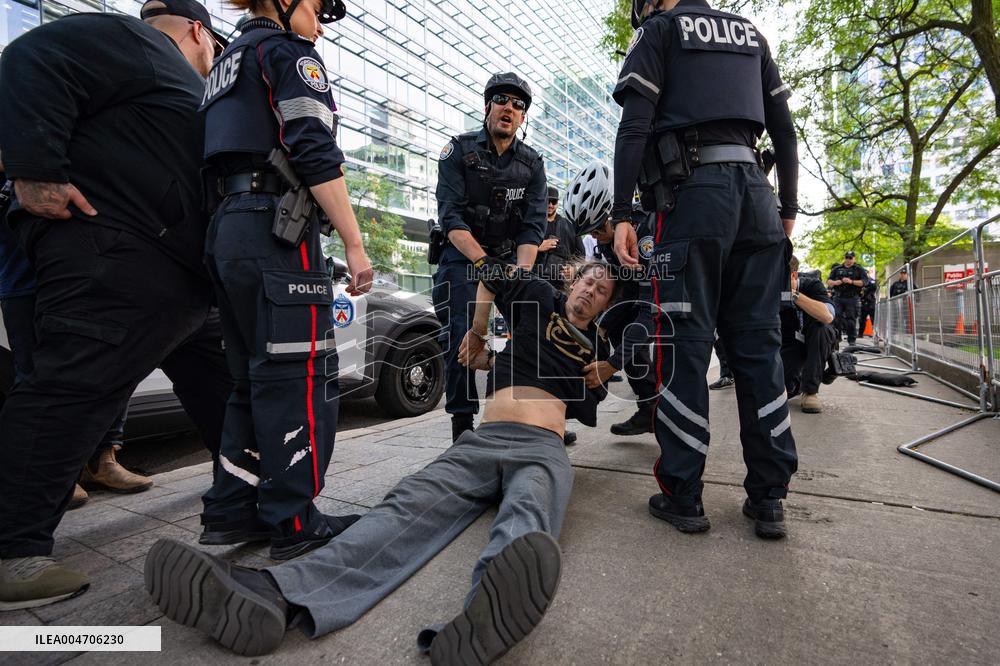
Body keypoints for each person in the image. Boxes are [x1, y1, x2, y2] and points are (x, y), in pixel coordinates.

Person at [145, 260, 620, 661]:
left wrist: (610, 366)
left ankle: (483, 617)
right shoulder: (536, 295)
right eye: (587, 282)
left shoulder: (597, 348)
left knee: (530, 513)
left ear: (603, 305)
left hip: (542, 446)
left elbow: (640, 354)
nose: (591, 291)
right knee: (405, 504)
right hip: (482, 440)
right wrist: (477, 333)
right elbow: (488, 272)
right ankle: (275, 594)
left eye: (601, 291)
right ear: (571, 282)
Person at [0, 0, 235, 610]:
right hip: (116, 256)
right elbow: (29, 56)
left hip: (178, 278)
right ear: (198, 33)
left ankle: (246, 496)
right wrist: (35, 169)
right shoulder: (134, 41)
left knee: (225, 387)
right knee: (72, 388)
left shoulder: (159, 74)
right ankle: (10, 554)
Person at [610, 0, 799, 539]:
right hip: (757, 199)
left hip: (694, 199)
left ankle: (684, 494)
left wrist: (624, 213)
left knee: (683, 346)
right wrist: (786, 210)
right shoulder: (751, 35)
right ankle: (768, 499)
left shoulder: (660, 31)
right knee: (760, 348)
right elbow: (783, 130)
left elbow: (635, 126)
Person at [196, 0, 373, 561]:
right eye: (318, 9)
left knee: (250, 378)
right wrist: (353, 242)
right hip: (277, 228)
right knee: (299, 375)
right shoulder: (287, 53)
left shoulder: (225, 65)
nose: (321, 24)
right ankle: (295, 522)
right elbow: (314, 149)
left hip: (226, 229)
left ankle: (232, 510)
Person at [433, 72, 547, 443]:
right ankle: (462, 429)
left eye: (518, 105)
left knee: (534, 327)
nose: (509, 108)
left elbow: (532, 227)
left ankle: (534, 416)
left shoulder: (533, 164)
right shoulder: (458, 151)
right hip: (464, 258)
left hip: (511, 260)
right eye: (502, 100)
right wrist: (483, 264)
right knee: (462, 331)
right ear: (488, 106)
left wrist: (522, 277)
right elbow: (450, 216)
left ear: (522, 117)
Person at [585, 191, 658, 436]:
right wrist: (603, 325)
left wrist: (612, 365)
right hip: (641, 294)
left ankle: (666, 414)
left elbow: (650, 312)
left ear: (612, 218)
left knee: (651, 341)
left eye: (596, 230)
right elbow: (627, 291)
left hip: (678, 299)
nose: (595, 237)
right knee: (613, 325)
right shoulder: (607, 243)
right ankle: (649, 408)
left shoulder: (647, 232)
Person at [782, 255, 837, 413]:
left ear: (793, 275)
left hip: (818, 338)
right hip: (791, 341)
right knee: (782, 388)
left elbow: (827, 316)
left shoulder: (813, 285)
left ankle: (811, 392)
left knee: (821, 327)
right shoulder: (771, 290)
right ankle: (798, 383)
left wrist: (793, 295)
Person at [534, 185, 584, 287]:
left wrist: (573, 268)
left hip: (561, 285)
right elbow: (516, 249)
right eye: (548, 201)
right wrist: (536, 247)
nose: (550, 205)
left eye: (554, 201)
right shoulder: (533, 224)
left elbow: (581, 256)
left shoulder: (570, 225)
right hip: (535, 281)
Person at [827, 251, 867, 345]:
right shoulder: (837, 269)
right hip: (838, 297)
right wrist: (836, 282)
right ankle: (836, 339)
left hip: (852, 298)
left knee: (851, 319)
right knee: (836, 318)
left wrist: (851, 281)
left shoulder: (859, 269)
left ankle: (851, 340)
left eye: (850, 258)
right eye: (847, 257)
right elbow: (828, 281)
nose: (848, 260)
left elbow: (864, 282)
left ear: (854, 259)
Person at [858, 272, 877, 337]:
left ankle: (874, 333)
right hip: (863, 302)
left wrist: (865, 288)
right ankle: (860, 333)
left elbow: (874, 287)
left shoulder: (871, 281)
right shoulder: (860, 281)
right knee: (862, 319)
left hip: (870, 302)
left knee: (873, 318)